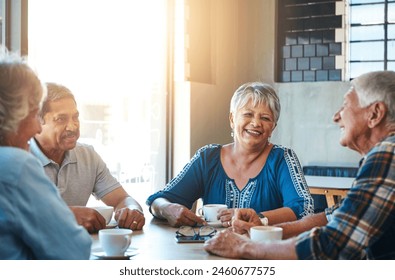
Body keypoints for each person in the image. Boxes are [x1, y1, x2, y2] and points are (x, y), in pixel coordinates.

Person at [204, 70, 395, 260]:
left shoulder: (388, 154)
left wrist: (246, 248)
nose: (336, 117)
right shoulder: (384, 155)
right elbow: (332, 216)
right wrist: (262, 228)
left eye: (345, 105)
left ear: (375, 114)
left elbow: (333, 244)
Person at [147, 82, 314, 227]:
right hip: (210, 252)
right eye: (248, 114)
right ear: (232, 119)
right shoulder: (207, 157)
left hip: (262, 254)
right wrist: (168, 209)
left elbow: (304, 208)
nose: (256, 123)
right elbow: (158, 200)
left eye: (265, 118)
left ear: (273, 127)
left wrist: (260, 218)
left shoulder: (283, 158)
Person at [0, 46, 91, 259]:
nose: (37, 129)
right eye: (33, 115)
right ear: (14, 116)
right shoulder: (16, 165)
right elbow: (73, 251)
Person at [30, 82, 145, 233]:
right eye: (61, 119)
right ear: (37, 122)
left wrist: (132, 210)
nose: (72, 127)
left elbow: (121, 199)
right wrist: (67, 215)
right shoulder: (18, 158)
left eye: (75, 117)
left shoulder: (87, 156)